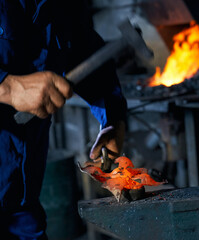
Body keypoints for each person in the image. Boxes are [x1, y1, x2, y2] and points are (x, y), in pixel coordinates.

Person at [0, 0, 127, 238]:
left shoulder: (60, 6)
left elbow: (89, 57)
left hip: (21, 204)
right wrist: (8, 87)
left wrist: (113, 120)